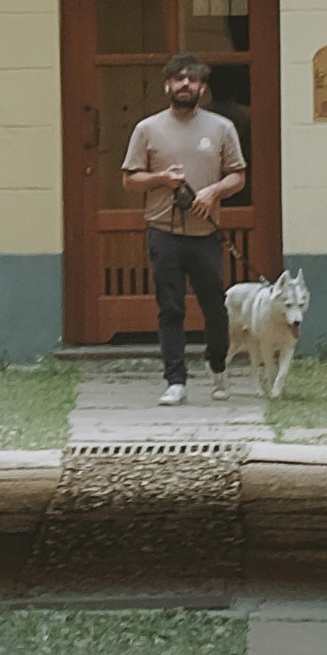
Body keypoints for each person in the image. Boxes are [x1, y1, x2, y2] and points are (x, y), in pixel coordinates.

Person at [121, 54, 248, 406]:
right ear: (167, 85)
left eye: (192, 80)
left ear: (203, 88)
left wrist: (213, 192)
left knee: (214, 308)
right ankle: (175, 380)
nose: (185, 85)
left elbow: (238, 175)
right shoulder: (147, 129)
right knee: (170, 308)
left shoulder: (221, 128)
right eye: (178, 79)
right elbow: (130, 179)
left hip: (205, 233)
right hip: (163, 231)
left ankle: (218, 368)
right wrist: (162, 179)